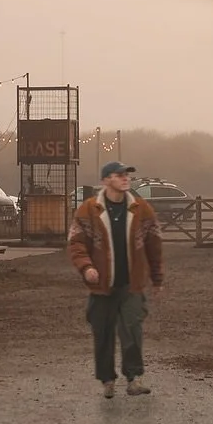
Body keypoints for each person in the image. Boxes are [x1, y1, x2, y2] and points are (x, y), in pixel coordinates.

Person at [67, 162, 164, 399]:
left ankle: (135, 378)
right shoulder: (88, 210)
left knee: (132, 330)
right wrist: (86, 267)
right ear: (105, 180)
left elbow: (155, 245)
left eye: (126, 175)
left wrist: (157, 278)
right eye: (118, 175)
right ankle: (107, 380)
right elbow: (77, 243)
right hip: (101, 287)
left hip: (132, 284)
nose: (125, 179)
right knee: (103, 333)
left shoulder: (142, 209)